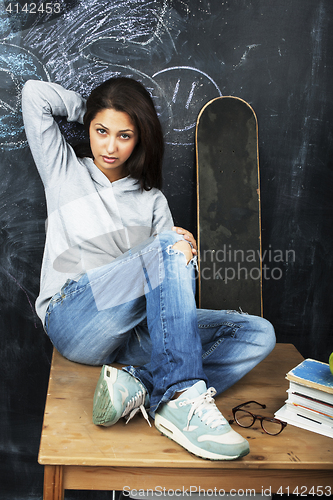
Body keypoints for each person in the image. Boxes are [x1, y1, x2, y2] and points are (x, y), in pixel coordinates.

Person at [22, 76, 276, 461]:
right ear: (89, 127)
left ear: (140, 138)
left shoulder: (151, 200)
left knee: (258, 333)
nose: (110, 146)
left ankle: (138, 384)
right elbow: (33, 95)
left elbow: (169, 283)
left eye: (124, 135)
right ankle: (178, 397)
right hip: (73, 318)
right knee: (167, 245)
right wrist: (88, 107)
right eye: (101, 131)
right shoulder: (63, 170)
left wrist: (183, 253)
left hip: (132, 337)